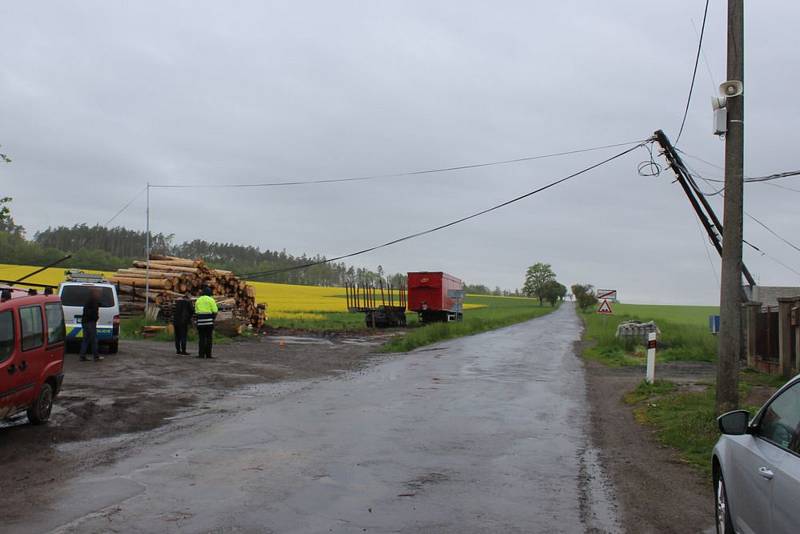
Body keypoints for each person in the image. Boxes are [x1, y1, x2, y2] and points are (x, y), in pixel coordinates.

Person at [194, 287, 218, 359]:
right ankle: (208, 355)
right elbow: (215, 311)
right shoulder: (211, 300)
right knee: (209, 338)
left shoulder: (198, 300)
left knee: (201, 338)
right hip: (209, 322)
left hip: (200, 322)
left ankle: (201, 354)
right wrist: (213, 318)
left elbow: (196, 311)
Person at [80, 288, 103, 362]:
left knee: (86, 339)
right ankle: (96, 357)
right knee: (94, 340)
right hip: (90, 322)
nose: (99, 294)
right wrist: (95, 318)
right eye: (98, 293)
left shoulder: (90, 300)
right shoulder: (93, 301)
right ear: (94, 293)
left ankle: (82, 356)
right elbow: (91, 312)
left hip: (85, 322)